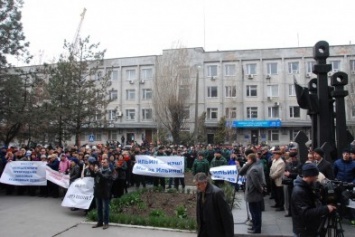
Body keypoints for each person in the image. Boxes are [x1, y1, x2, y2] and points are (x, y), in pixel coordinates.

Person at [291, 163, 336, 236]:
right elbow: (305, 213)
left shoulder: (308, 186)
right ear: (310, 176)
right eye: (316, 176)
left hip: (310, 227)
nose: (317, 178)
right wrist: (326, 208)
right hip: (304, 230)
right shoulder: (299, 191)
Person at [194, 172, 234, 237]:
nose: (197, 187)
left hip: (215, 230)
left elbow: (226, 216)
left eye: (199, 184)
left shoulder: (217, 193)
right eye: (196, 184)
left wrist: (229, 234)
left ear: (205, 182)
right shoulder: (200, 193)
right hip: (203, 229)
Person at [243, 153, 265, 234]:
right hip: (253, 194)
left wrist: (260, 189)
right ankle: (254, 227)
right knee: (254, 212)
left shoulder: (253, 169)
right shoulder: (253, 167)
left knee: (255, 212)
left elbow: (256, 183)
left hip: (253, 194)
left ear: (251, 160)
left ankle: (257, 228)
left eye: (248, 159)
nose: (247, 160)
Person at [92, 158, 113, 230]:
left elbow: (104, 178)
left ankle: (106, 223)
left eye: (104, 162)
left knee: (105, 209)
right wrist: (93, 170)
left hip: (105, 192)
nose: (103, 163)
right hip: (98, 191)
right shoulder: (100, 170)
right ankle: (99, 222)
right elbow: (94, 176)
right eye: (102, 162)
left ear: (108, 163)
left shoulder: (109, 171)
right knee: (99, 208)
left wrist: (98, 172)